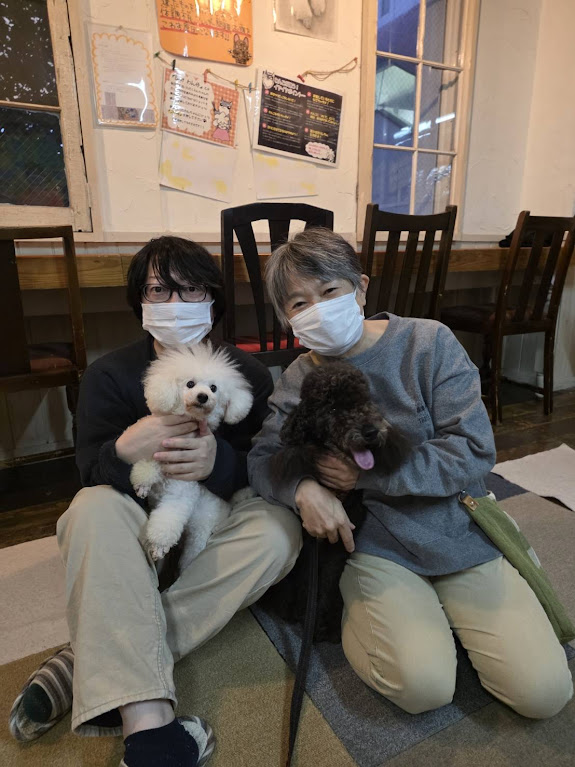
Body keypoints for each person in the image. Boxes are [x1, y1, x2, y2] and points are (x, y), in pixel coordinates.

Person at [248, 227, 573, 719]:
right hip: (372, 543)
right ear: (286, 317)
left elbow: (473, 449)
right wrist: (304, 489)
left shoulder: (428, 342)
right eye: (299, 303)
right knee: (422, 688)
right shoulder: (298, 377)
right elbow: (261, 458)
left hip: (456, 526)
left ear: (361, 287)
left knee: (543, 694)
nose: (317, 309)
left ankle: (448, 609)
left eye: (329, 291)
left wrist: (365, 478)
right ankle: (388, 616)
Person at [9, 236, 301, 767]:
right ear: (139, 302)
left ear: (213, 300)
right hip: (134, 523)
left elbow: (265, 468)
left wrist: (219, 464)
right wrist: (124, 451)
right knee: (90, 509)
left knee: (280, 531)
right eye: (158, 291)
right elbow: (89, 475)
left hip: (212, 523)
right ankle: (146, 719)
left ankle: (90, 661)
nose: (174, 303)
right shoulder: (109, 375)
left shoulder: (249, 377)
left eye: (191, 290)